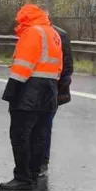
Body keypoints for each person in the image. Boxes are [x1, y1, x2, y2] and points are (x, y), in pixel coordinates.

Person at [0, 4, 63, 191]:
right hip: (49, 90)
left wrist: (11, 92)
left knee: (20, 135)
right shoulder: (53, 33)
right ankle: (33, 174)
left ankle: (22, 177)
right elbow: (58, 66)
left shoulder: (32, 33)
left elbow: (22, 66)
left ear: (25, 18)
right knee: (39, 136)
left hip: (29, 90)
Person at [38, 22, 74, 177]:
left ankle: (41, 163)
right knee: (42, 127)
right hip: (49, 89)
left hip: (51, 89)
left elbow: (66, 67)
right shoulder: (58, 34)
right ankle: (39, 163)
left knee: (44, 127)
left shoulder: (57, 35)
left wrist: (59, 89)